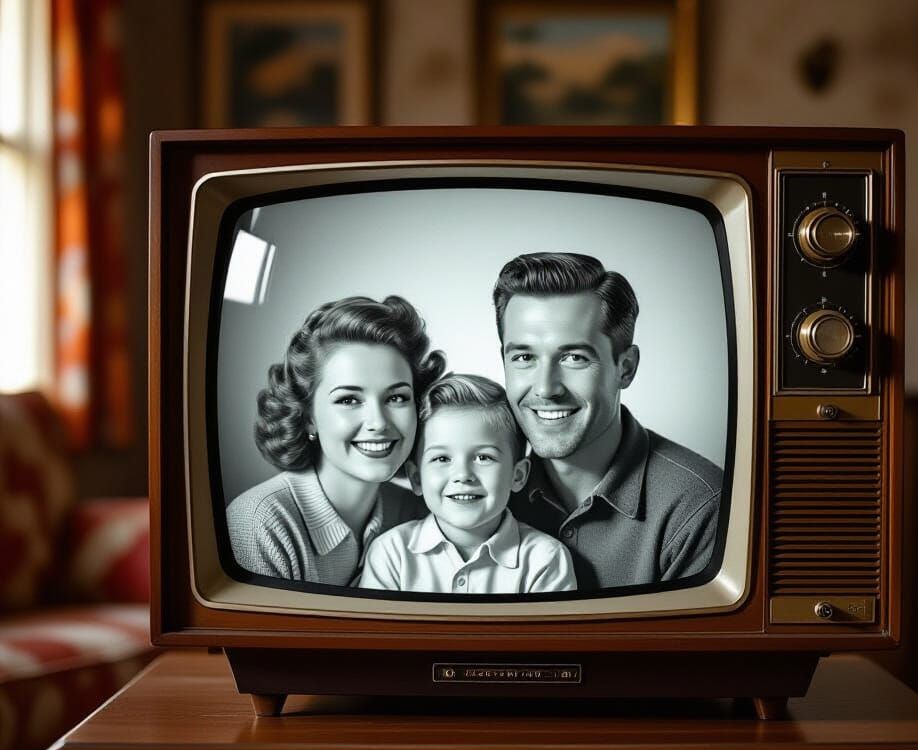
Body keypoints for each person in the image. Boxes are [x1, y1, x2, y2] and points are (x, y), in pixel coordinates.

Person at [493, 252, 722, 591]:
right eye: (524, 357)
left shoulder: (700, 508)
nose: (545, 388)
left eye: (574, 357)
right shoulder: (484, 490)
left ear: (625, 368)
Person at [226, 295, 445, 583]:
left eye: (396, 398)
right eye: (349, 400)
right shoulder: (258, 523)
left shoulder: (416, 511)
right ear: (308, 416)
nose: (379, 422)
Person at [358, 374, 576, 594]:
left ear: (517, 476)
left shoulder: (545, 559)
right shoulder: (391, 553)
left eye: (483, 457)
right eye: (442, 459)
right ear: (416, 478)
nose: (463, 475)